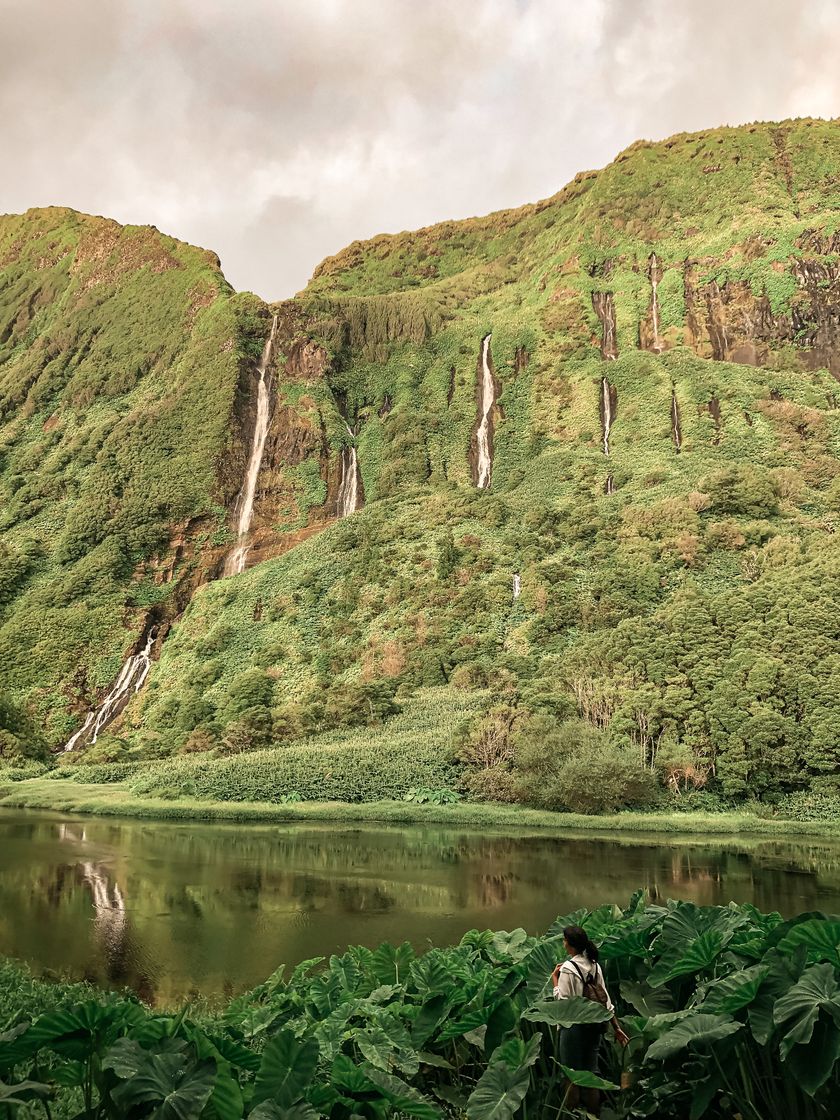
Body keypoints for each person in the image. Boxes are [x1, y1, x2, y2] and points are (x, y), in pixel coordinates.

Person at [550, 925, 628, 1114]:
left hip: (573, 1027)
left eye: (564, 940)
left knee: (571, 1075)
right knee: (591, 1073)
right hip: (594, 1025)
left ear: (570, 945)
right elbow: (605, 1000)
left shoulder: (568, 968)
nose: (563, 943)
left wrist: (554, 979)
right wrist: (616, 1027)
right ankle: (595, 1115)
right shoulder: (594, 965)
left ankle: (572, 1114)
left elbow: (562, 1001)